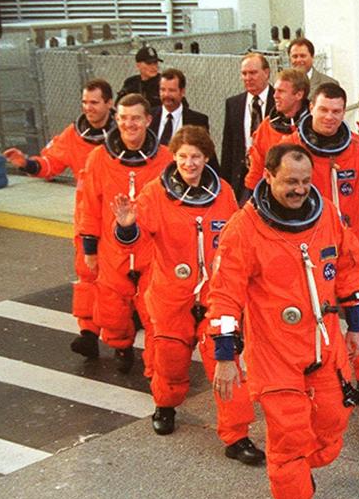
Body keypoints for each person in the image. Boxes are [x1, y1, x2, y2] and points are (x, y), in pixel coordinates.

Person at [207, 143, 359, 499]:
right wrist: (225, 358)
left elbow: (347, 266)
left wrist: (357, 324)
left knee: (332, 426)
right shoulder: (243, 231)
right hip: (273, 353)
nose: (299, 190)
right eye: (289, 182)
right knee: (290, 434)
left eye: (304, 181)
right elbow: (224, 297)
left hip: (323, 344)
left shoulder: (326, 213)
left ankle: (297, 468)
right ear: (268, 177)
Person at [110, 125, 262, 464]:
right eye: (182, 157)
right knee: (169, 362)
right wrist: (126, 226)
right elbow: (134, 242)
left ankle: (236, 436)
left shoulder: (221, 192)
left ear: (206, 157)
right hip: (170, 297)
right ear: (174, 158)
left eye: (195, 157)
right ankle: (165, 405)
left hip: (214, 297)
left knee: (227, 365)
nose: (189, 163)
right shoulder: (154, 194)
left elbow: (236, 238)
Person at [281, 82, 359, 435]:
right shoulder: (289, 150)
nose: (329, 117)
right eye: (323, 110)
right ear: (311, 107)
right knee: (309, 324)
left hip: (353, 253)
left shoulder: (355, 149)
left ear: (345, 113)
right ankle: (307, 391)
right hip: (307, 255)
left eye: (336, 111)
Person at [4, 79, 115, 358]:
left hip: (120, 219)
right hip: (88, 218)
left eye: (94, 102)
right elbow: (49, 164)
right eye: (85, 103)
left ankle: (123, 337)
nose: (88, 108)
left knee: (124, 279)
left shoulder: (126, 132)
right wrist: (26, 163)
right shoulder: (73, 135)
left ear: (109, 104)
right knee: (87, 275)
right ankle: (88, 333)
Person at [76, 93, 174, 372]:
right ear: (116, 119)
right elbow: (89, 205)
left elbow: (173, 208)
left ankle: (156, 367)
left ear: (148, 121)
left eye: (135, 118)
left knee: (154, 310)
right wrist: (89, 249)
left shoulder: (165, 159)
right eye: (123, 118)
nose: (129, 124)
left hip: (151, 250)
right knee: (113, 311)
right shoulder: (98, 158)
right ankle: (121, 346)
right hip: (112, 250)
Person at [243, 68, 310, 192]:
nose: (275, 96)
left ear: (299, 95)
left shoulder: (314, 128)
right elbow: (256, 172)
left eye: (281, 91)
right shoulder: (266, 127)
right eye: (275, 91)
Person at [220, 52, 275, 201]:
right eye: (244, 73)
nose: (247, 78)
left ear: (266, 72)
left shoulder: (279, 101)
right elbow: (228, 147)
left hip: (271, 176)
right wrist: (225, 184)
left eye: (253, 73)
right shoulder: (234, 104)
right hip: (241, 179)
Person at [152, 68, 210, 147]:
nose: (166, 94)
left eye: (171, 90)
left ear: (182, 92)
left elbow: (207, 153)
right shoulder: (149, 117)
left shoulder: (197, 121)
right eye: (162, 90)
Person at [117, 46, 163, 111]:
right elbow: (119, 105)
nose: (153, 67)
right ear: (138, 65)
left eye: (155, 63)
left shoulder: (163, 82)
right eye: (149, 63)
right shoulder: (131, 83)